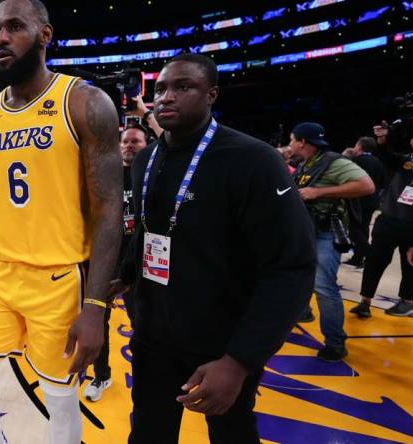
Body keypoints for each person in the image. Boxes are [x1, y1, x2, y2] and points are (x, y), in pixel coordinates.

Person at [0, 1, 123, 443]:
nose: (1, 37)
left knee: (59, 402)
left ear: (45, 35)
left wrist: (95, 307)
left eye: (15, 27)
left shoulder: (84, 102)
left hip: (59, 279)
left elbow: (110, 209)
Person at [118, 54, 316, 443]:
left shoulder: (253, 160)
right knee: (147, 432)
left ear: (212, 94)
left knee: (232, 435)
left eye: (183, 87)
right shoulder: (145, 159)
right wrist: (125, 274)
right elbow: (147, 231)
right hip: (152, 335)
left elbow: (291, 267)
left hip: (221, 343)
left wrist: (239, 361)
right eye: (159, 89)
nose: (166, 98)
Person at [290, 122, 375, 361]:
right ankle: (303, 312)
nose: (290, 144)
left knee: (324, 287)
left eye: (292, 139)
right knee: (299, 276)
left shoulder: (334, 162)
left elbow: (366, 186)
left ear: (303, 142)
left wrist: (318, 192)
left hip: (325, 232)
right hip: (307, 230)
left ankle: (335, 343)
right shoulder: (308, 163)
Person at [84, 124, 148, 404]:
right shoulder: (107, 175)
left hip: (140, 259)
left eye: (136, 141)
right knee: (99, 320)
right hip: (107, 258)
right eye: (126, 141)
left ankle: (149, 378)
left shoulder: (153, 174)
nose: (130, 145)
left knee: (144, 324)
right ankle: (101, 375)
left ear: (148, 145)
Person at [352, 124, 413, 318]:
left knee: (412, 265)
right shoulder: (401, 161)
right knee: (374, 261)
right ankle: (365, 301)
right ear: (411, 140)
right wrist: (383, 138)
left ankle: (407, 301)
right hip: (389, 220)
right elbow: (385, 154)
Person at [343, 137, 386, 268]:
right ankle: (358, 258)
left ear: (360, 146)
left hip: (359, 200)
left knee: (353, 229)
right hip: (373, 200)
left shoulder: (356, 160)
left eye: (356, 145)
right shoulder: (379, 162)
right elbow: (383, 182)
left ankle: (370, 255)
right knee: (363, 228)